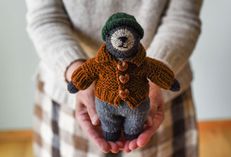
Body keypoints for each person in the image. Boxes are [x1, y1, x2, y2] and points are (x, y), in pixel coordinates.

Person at [25, 0, 202, 156]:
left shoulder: (145, 64)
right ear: (108, 38)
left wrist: (164, 81)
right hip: (68, 98)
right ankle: (111, 131)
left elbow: (183, 17)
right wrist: (75, 75)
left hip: (157, 102)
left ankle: (133, 131)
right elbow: (44, 17)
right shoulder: (99, 63)